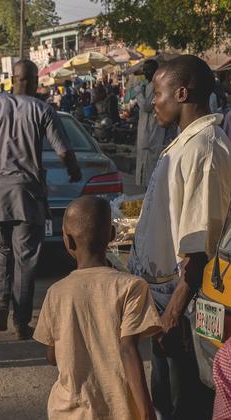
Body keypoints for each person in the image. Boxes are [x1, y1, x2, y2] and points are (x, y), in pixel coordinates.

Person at [128, 54, 231, 420]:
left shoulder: (206, 149)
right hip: (165, 298)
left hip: (186, 304)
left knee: (183, 402)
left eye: (158, 92)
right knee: (165, 398)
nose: (152, 100)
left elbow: (199, 249)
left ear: (182, 93)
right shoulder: (185, 143)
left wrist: (172, 314)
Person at [0, 60, 82, 340]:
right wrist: (74, 171)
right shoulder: (43, 110)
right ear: (33, 81)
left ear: (13, 79)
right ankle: (21, 321)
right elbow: (63, 151)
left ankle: (1, 300)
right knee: (26, 258)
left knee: (1, 250)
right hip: (27, 192)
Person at [34, 196, 161, 420]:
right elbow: (128, 349)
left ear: (68, 242)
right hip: (118, 411)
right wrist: (147, 412)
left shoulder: (56, 292)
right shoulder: (131, 287)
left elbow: (52, 356)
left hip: (68, 412)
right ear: (112, 235)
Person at [135, 59, 172, 186]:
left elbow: (146, 106)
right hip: (145, 132)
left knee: (151, 169)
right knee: (144, 168)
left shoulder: (156, 86)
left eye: (148, 70)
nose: (145, 73)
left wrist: (138, 92)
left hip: (152, 132)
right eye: (144, 70)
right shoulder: (147, 85)